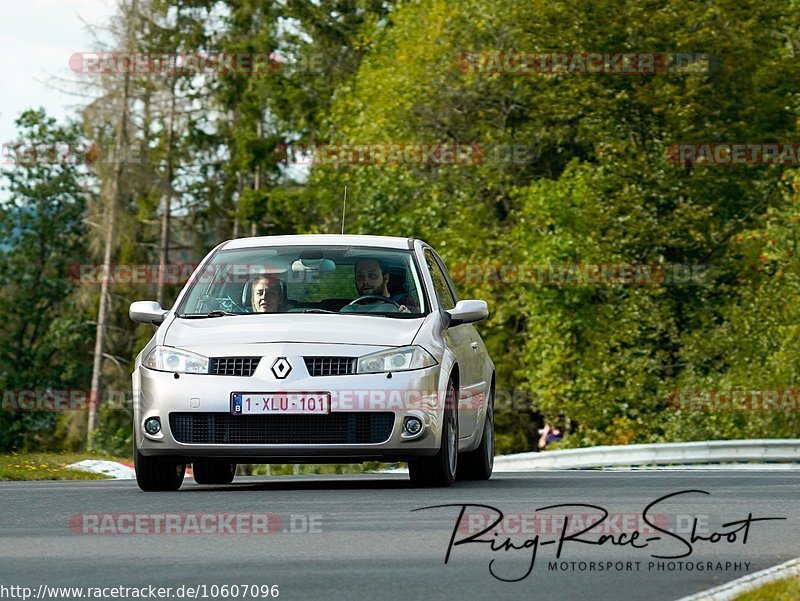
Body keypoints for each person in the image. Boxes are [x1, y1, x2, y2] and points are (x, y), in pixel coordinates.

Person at [354, 258, 418, 313]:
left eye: (372, 275)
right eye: (360, 276)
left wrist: (407, 316)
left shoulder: (407, 305)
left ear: (386, 278)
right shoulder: (349, 310)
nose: (365, 281)